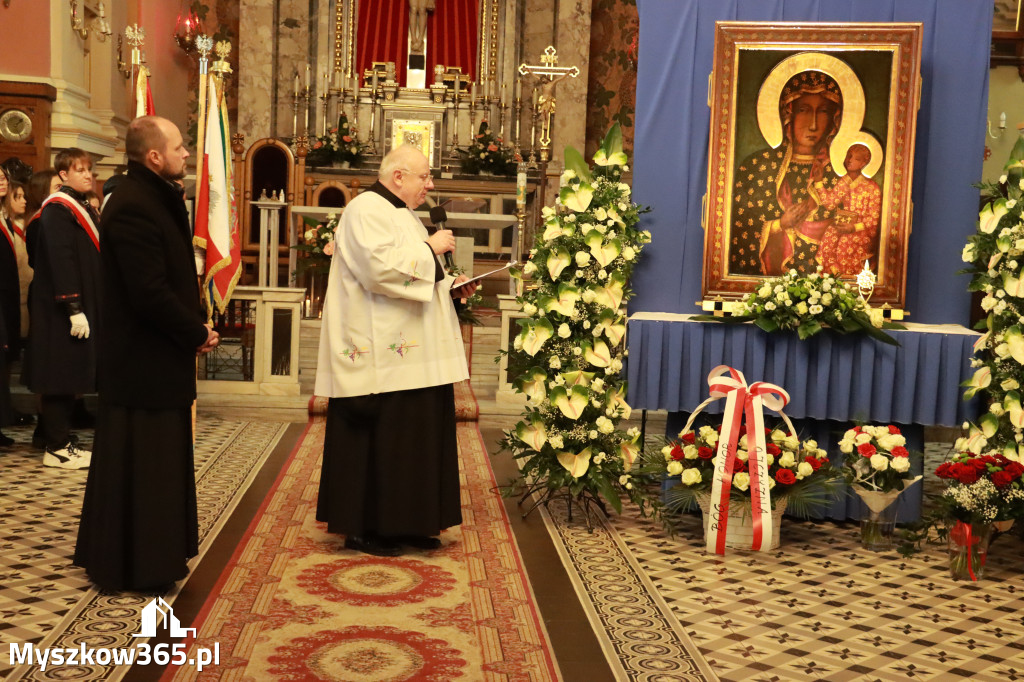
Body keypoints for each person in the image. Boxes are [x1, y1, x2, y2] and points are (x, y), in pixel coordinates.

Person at [74, 115, 219, 592]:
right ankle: (136, 564)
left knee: (155, 463)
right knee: (143, 465)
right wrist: (194, 331)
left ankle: (150, 556)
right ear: (154, 156)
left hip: (155, 360)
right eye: (179, 148)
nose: (185, 154)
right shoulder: (135, 204)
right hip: (142, 363)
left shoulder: (154, 195)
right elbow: (148, 292)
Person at [315, 144, 477, 557]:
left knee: (410, 438)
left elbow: (414, 276)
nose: (431, 184)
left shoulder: (403, 214)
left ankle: (407, 522)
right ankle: (367, 528)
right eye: (425, 176)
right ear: (398, 176)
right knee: (382, 438)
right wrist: (430, 248)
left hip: (408, 352)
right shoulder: (365, 209)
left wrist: (451, 287)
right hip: (378, 353)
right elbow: (378, 270)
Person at [22, 149, 100, 468]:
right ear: (63, 175)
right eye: (79, 170)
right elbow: (60, 259)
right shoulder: (57, 208)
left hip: (74, 307)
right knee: (59, 375)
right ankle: (56, 447)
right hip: (60, 310)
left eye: (88, 170)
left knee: (69, 374)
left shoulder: (80, 206)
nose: (87, 175)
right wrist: (73, 305)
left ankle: (62, 439)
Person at [730, 70, 843, 276]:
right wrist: (779, 224)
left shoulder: (838, 177)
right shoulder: (757, 167)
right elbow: (739, 231)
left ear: (835, 119)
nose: (813, 124)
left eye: (824, 112)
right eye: (804, 110)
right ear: (788, 114)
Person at [810, 143, 883, 276]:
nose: (849, 160)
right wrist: (819, 181)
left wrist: (853, 228)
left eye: (855, 158)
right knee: (830, 234)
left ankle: (846, 283)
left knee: (845, 243)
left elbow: (873, 220)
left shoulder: (872, 187)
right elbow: (830, 203)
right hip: (843, 226)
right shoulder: (844, 182)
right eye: (848, 156)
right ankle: (829, 280)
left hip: (861, 232)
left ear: (863, 163)